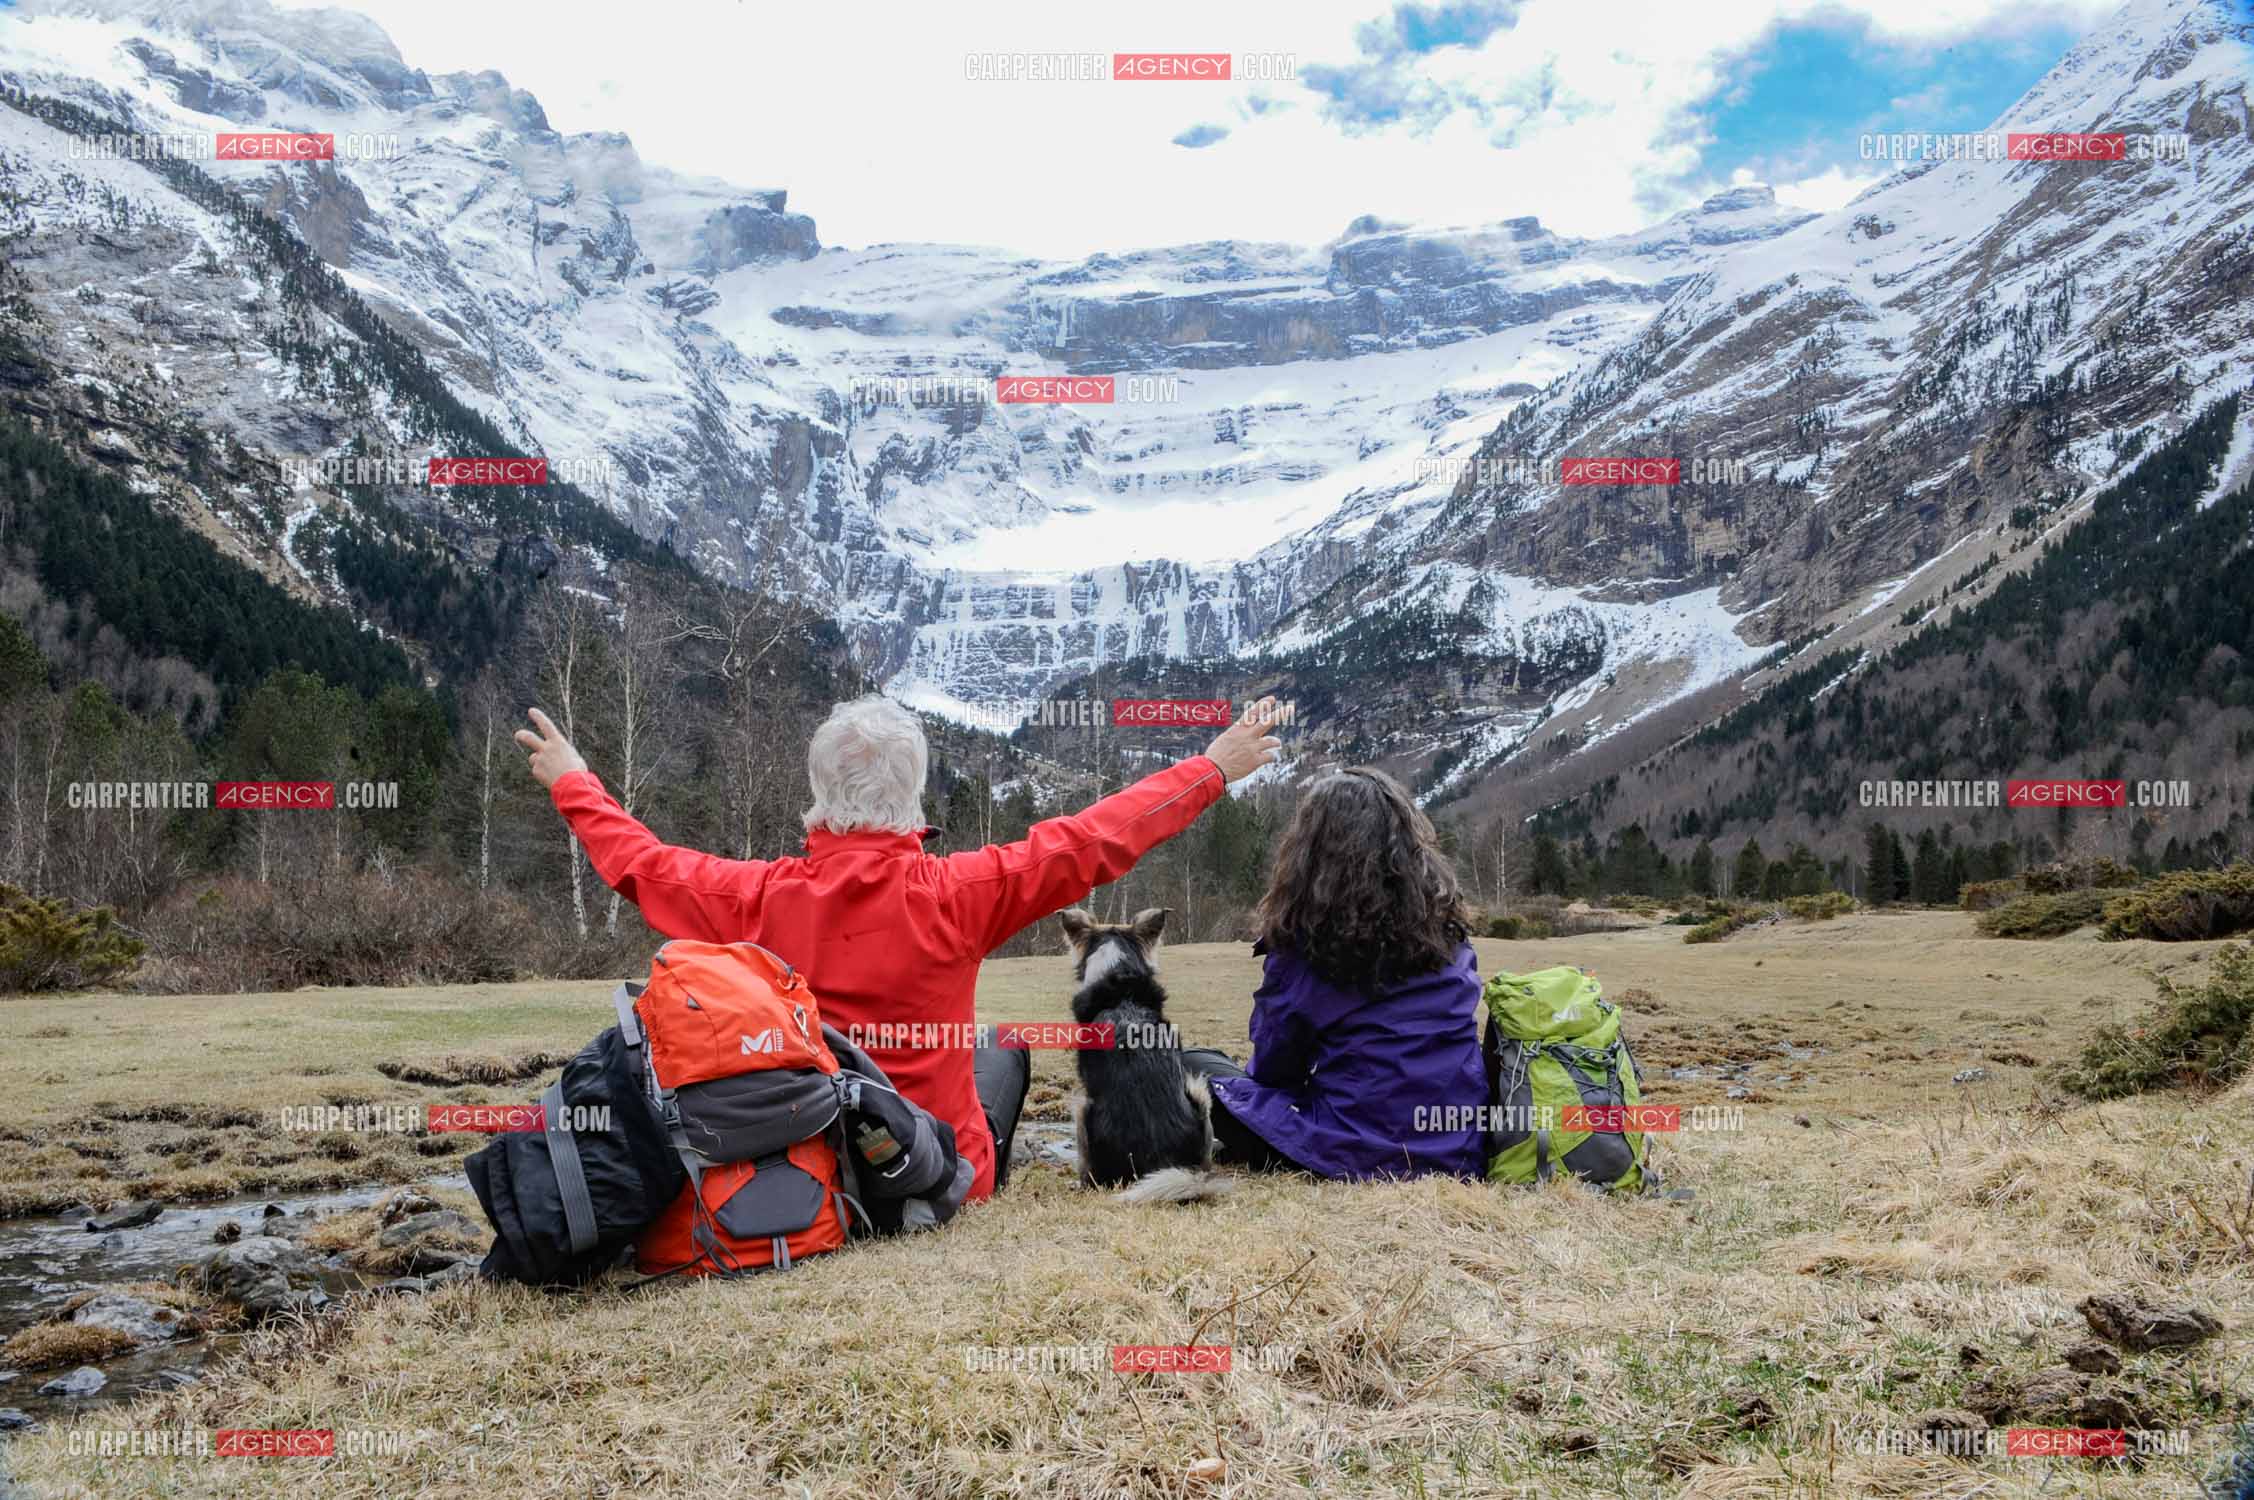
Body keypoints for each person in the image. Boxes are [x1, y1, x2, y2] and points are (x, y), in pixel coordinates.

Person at [515, 694, 1285, 1204]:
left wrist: (576, 782)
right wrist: (1212, 767)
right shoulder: (960, 890)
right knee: (1002, 1049)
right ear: (913, 797)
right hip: (944, 1170)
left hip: (819, 1170)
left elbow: (642, 866)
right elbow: (1095, 841)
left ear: (817, 794)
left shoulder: (752, 898)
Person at [1181, 766, 1487, 1181]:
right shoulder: (1450, 937)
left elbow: (1275, 1068)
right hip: (1458, 1146)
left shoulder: (1309, 949)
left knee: (1185, 1065)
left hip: (1353, 1150)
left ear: (1309, 852)